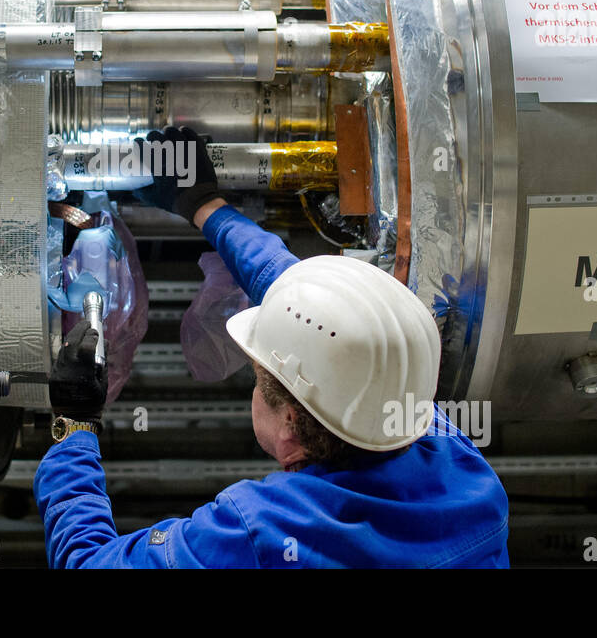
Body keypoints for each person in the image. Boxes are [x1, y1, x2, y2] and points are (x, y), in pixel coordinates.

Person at [34, 126, 510, 568]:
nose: (254, 383)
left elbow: (88, 562)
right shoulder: (461, 470)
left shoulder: (264, 535)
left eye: (259, 376)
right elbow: (314, 307)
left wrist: (74, 425)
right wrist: (206, 206)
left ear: (289, 424)